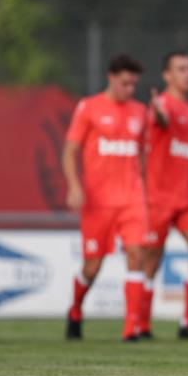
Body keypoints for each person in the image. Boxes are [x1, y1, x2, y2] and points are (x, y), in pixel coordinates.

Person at [63, 54, 149, 342]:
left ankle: (131, 328)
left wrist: (142, 181)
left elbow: (142, 153)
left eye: (134, 84)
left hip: (132, 200)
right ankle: (75, 310)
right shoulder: (89, 108)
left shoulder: (140, 112)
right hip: (99, 203)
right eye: (125, 83)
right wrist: (75, 186)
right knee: (92, 266)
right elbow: (70, 150)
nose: (130, 89)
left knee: (137, 255)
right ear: (111, 77)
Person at [139, 51, 188, 340]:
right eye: (181, 68)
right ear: (167, 76)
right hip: (158, 197)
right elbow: (162, 119)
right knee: (151, 261)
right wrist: (158, 112)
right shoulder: (163, 105)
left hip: (187, 197)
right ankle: (141, 325)